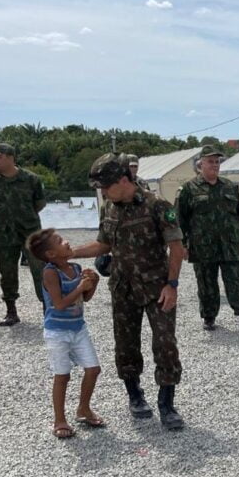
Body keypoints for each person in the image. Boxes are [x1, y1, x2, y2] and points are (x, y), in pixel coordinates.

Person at [72, 153, 186, 430]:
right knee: (125, 345)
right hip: (123, 287)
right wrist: (69, 254)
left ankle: (167, 404)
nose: (102, 192)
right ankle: (135, 395)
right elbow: (103, 245)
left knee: (165, 343)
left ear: (123, 180)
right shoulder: (108, 208)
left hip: (157, 287)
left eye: (105, 186)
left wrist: (172, 285)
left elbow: (177, 247)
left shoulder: (157, 205)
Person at [176, 146, 239, 331]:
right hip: (203, 246)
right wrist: (183, 244)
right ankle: (209, 316)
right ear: (200, 165)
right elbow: (180, 219)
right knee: (207, 283)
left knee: (236, 280)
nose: (215, 165)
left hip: (229, 243)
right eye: (210, 162)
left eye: (217, 162)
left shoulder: (229, 186)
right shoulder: (188, 189)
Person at [27, 229, 103, 439]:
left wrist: (92, 283)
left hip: (78, 328)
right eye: (60, 241)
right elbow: (59, 304)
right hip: (57, 331)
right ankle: (59, 419)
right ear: (51, 254)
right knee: (62, 375)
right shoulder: (50, 273)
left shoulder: (75, 267)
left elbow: (84, 299)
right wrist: (80, 287)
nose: (67, 242)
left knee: (93, 369)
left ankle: (83, 409)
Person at [0, 142, 47, 326]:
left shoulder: (31, 179)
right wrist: (5, 220)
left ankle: (48, 308)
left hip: (31, 233)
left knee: (40, 270)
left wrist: (24, 218)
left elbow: (40, 203)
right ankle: (11, 311)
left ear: (10, 157)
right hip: (4, 234)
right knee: (7, 272)